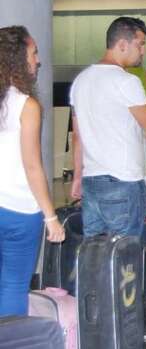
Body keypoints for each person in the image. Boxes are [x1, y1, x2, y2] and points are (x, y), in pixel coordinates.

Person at [69, 16, 146, 341]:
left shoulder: (81, 81)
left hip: (95, 181)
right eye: (140, 43)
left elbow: (78, 135)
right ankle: (127, 325)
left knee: (95, 258)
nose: (143, 50)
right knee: (125, 257)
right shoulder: (126, 82)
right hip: (123, 182)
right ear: (121, 43)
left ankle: (95, 325)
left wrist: (77, 177)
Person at [0, 26, 65, 316]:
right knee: (13, 286)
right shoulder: (26, 105)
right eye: (33, 52)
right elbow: (32, 165)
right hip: (18, 211)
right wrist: (51, 217)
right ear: (17, 59)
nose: (37, 60)